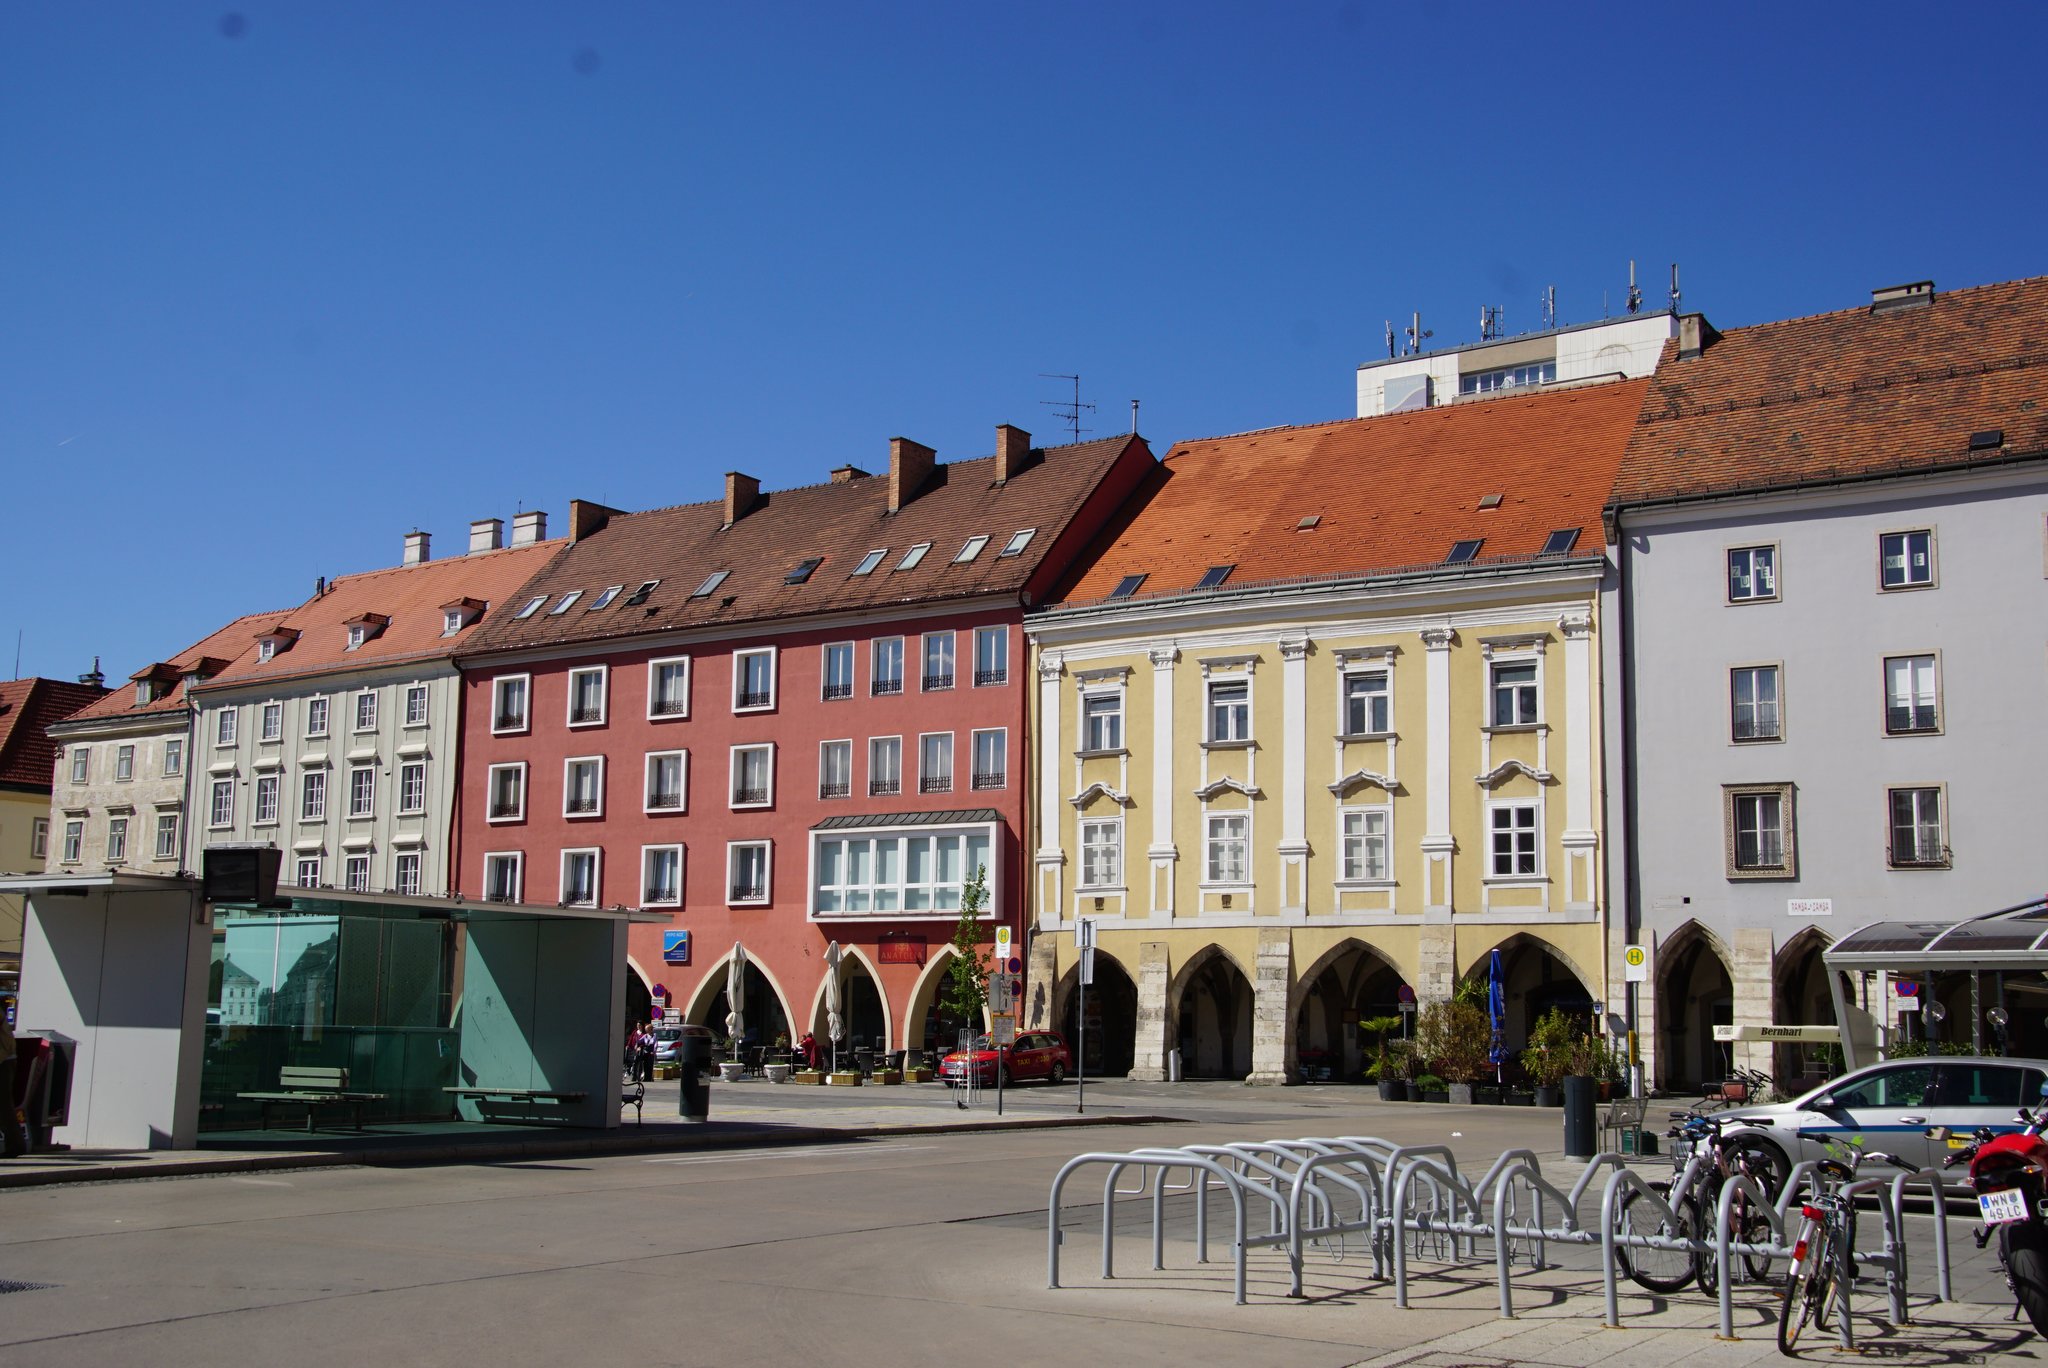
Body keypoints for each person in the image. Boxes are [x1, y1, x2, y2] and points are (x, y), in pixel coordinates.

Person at [0, 1002, 25, 1158]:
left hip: (3, 1061)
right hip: (5, 1059)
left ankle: (16, 1145)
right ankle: (16, 1144)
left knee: (3, 1104)